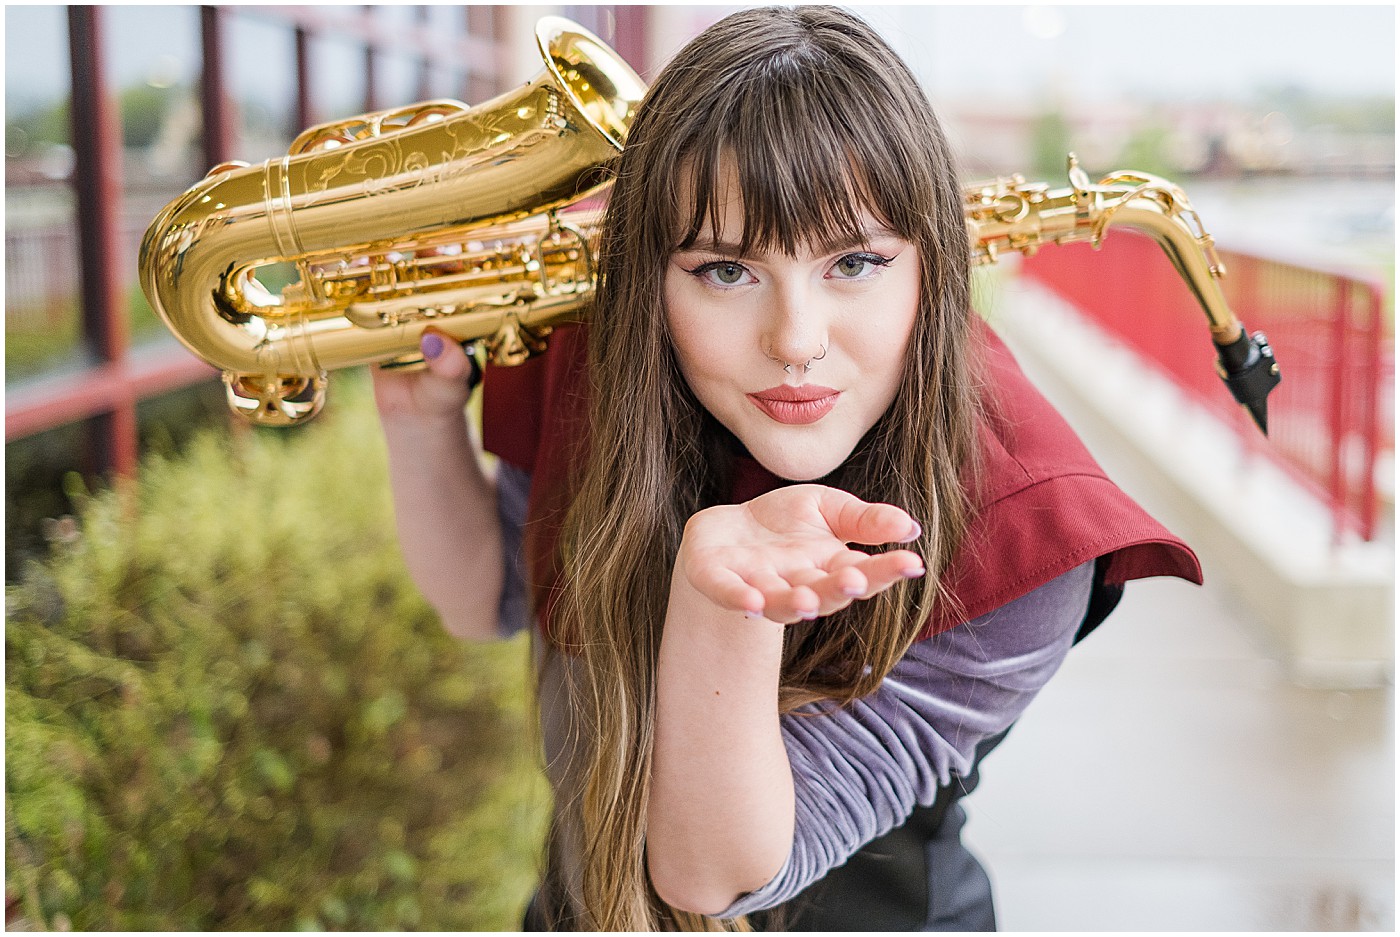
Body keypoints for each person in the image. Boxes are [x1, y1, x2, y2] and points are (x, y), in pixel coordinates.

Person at [372, 5, 1201, 932]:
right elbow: (488, 597)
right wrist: (421, 417)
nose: (796, 342)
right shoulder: (594, 352)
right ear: (650, 277)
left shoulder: (1024, 513)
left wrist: (724, 600)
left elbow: (711, 876)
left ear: (934, 266)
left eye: (855, 262)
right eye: (726, 271)